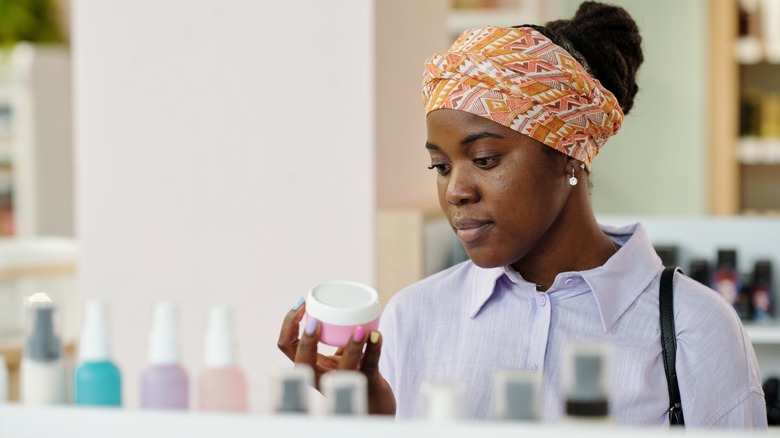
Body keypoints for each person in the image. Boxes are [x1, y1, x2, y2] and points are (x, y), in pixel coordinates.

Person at [278, 1, 767, 428]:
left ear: (569, 154)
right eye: (440, 166)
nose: (455, 191)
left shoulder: (694, 327)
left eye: (486, 159)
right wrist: (376, 424)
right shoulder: (415, 318)